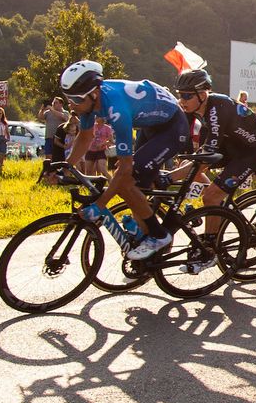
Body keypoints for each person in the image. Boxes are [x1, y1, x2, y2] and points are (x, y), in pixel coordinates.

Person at [57, 60, 189, 260]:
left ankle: (159, 235)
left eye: (75, 98)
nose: (71, 104)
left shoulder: (116, 110)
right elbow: (85, 137)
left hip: (172, 127)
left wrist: (100, 205)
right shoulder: (90, 104)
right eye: (68, 98)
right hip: (151, 123)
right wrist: (64, 168)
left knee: (127, 178)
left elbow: (125, 170)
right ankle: (148, 238)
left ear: (94, 93)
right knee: (134, 183)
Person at [172, 70, 256, 250]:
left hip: (251, 150)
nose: (182, 100)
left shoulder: (217, 108)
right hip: (231, 143)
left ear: (202, 95)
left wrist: (169, 177)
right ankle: (217, 205)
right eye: (179, 95)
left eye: (186, 96)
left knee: (211, 195)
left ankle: (211, 245)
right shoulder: (195, 108)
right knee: (187, 165)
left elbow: (208, 157)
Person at [40, 97, 68, 165]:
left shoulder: (65, 112)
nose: (53, 104)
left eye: (56, 103)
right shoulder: (48, 112)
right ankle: (49, 170)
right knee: (48, 157)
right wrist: (42, 109)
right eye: (53, 102)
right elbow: (41, 117)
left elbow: (64, 118)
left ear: (61, 104)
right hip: (49, 138)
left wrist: (52, 109)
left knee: (58, 158)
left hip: (59, 139)